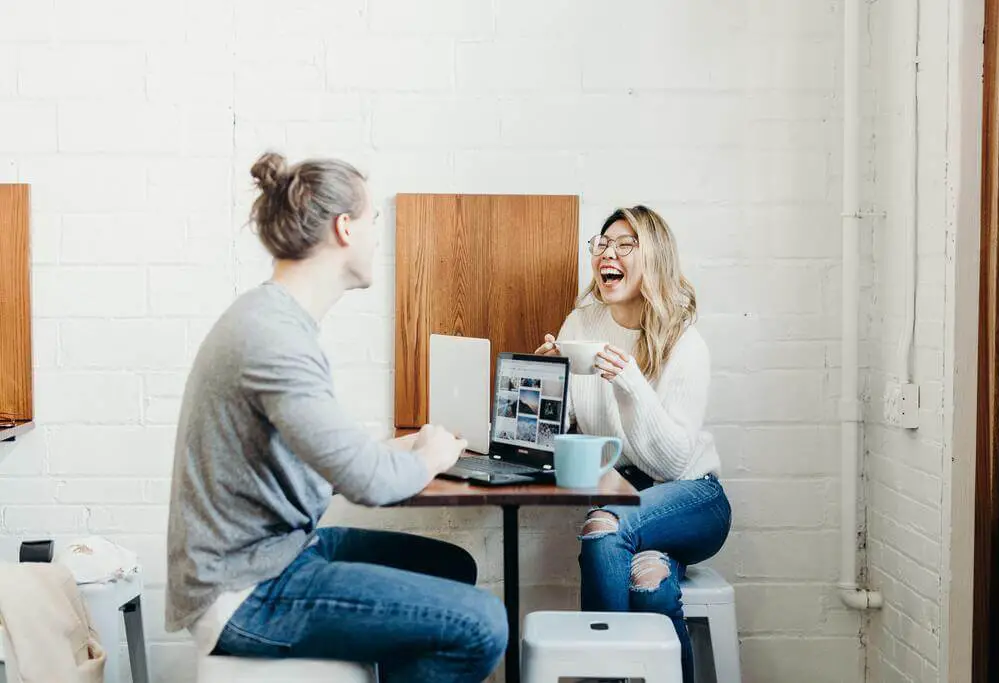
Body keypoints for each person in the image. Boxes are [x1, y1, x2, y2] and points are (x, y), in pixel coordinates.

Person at [165, 152, 507, 683]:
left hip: (278, 555)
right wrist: (432, 456)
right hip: (246, 590)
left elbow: (330, 457)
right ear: (344, 228)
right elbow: (367, 482)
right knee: (483, 623)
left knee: (453, 568)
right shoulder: (273, 339)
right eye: (373, 222)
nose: (377, 236)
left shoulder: (276, 321)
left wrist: (407, 448)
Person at [535, 205, 730, 683]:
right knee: (650, 582)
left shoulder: (685, 342)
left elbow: (674, 460)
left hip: (692, 496)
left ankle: (601, 676)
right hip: (626, 491)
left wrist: (631, 383)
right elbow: (570, 431)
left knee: (602, 526)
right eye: (603, 243)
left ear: (654, 258)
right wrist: (549, 384)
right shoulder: (580, 325)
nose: (609, 252)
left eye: (626, 244)